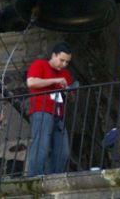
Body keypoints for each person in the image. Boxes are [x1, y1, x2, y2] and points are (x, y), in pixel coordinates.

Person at [27, 42, 74, 176]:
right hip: (41, 110)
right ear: (54, 55)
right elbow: (31, 82)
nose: (64, 64)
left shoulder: (66, 74)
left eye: (67, 62)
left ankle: (53, 177)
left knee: (63, 151)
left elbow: (71, 97)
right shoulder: (40, 64)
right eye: (62, 60)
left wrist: (69, 92)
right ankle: (35, 177)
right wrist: (55, 81)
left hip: (58, 114)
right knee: (41, 145)